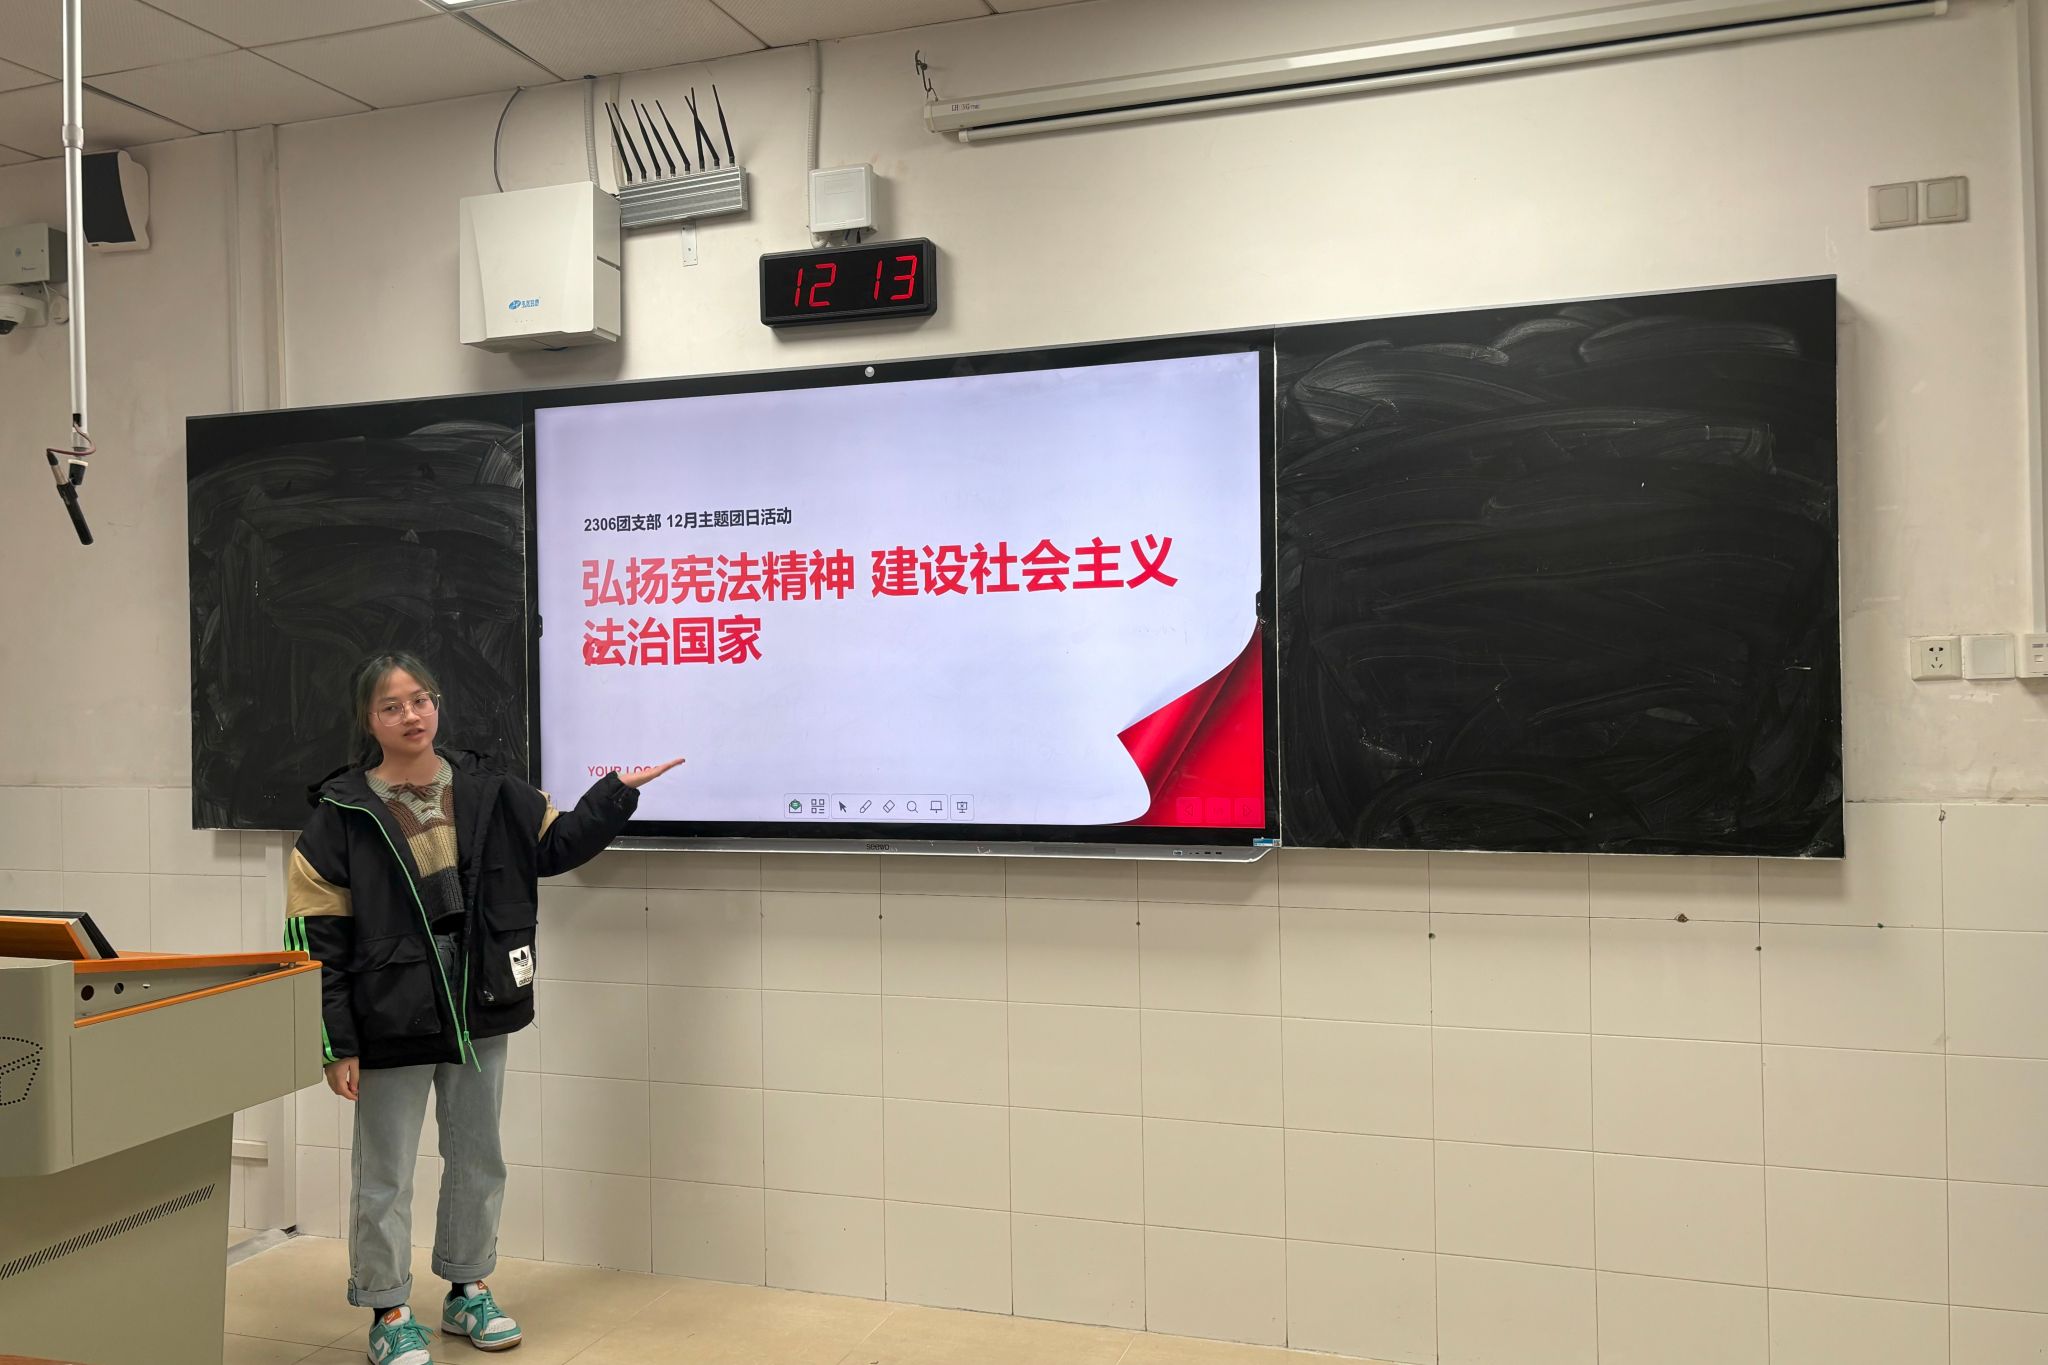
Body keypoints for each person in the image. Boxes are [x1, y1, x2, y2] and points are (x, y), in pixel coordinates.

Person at [285, 652, 680, 1365]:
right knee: (385, 1171)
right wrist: (335, 1042)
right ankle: (388, 1307)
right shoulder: (339, 814)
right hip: (388, 1011)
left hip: (480, 997)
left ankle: (467, 1287)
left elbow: (556, 846)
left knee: (478, 1156)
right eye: (391, 705)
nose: (411, 714)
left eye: (421, 699)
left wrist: (614, 793)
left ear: (437, 704)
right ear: (368, 720)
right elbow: (317, 939)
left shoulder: (492, 790)